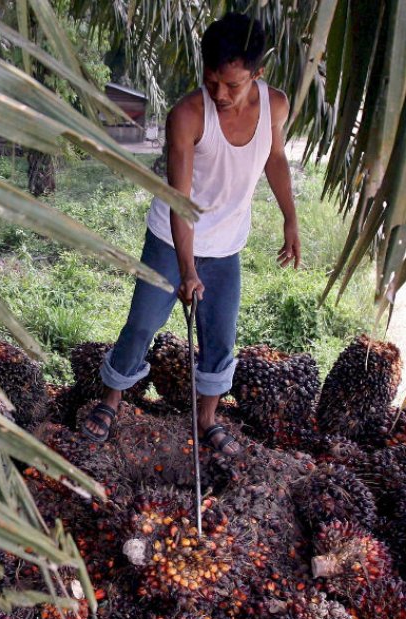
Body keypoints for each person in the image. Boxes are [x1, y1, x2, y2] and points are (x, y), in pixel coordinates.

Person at [81, 12, 301, 450]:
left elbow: (274, 158)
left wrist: (290, 217)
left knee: (220, 334)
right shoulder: (187, 114)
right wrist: (186, 269)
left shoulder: (275, 104)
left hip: (227, 244)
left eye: (232, 85)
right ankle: (110, 400)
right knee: (142, 323)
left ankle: (207, 419)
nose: (219, 93)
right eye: (211, 80)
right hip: (170, 238)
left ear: (257, 74)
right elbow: (179, 200)